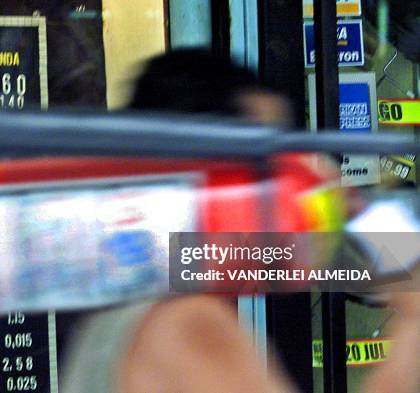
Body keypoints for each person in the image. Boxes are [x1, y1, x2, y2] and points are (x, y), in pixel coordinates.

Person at [60, 49, 419, 393]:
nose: (290, 188)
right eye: (270, 164)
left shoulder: (140, 310)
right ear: (212, 176)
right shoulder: (184, 324)